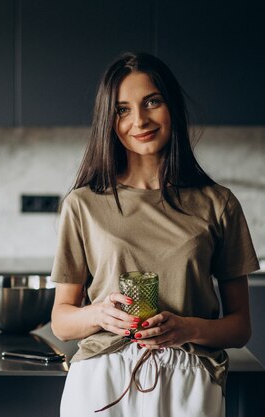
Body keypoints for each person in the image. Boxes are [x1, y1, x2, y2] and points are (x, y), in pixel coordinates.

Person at [50, 52, 259, 416]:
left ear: (171, 107)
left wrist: (186, 328)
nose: (140, 120)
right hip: (102, 380)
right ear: (108, 121)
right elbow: (62, 322)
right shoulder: (83, 204)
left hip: (189, 383)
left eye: (152, 102)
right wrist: (100, 315)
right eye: (122, 109)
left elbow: (240, 327)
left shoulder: (218, 204)